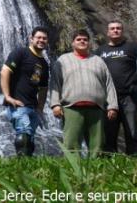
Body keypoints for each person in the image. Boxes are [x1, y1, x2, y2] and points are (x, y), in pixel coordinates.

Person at [50, 29, 118, 157]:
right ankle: (73, 171)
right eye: (79, 39)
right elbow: (55, 83)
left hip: (96, 109)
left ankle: (97, 171)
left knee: (97, 143)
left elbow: (109, 84)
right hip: (71, 108)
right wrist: (55, 104)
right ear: (72, 43)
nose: (82, 41)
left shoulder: (98, 60)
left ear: (89, 43)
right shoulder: (63, 60)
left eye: (85, 39)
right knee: (71, 143)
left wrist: (112, 106)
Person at [94, 20, 137, 155]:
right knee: (109, 132)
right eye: (112, 28)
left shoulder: (133, 48)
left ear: (122, 31)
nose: (115, 30)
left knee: (132, 131)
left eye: (118, 28)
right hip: (108, 98)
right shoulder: (100, 51)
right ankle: (110, 164)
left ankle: (135, 160)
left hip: (129, 97)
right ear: (107, 32)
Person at [0, 26, 50, 156]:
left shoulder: (44, 63)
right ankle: (22, 164)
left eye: (44, 38)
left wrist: (40, 108)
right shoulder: (21, 53)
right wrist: (7, 97)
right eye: (38, 37)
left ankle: (27, 164)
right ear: (31, 39)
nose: (41, 40)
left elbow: (44, 88)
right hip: (18, 104)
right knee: (24, 132)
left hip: (32, 106)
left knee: (30, 137)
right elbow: (5, 71)